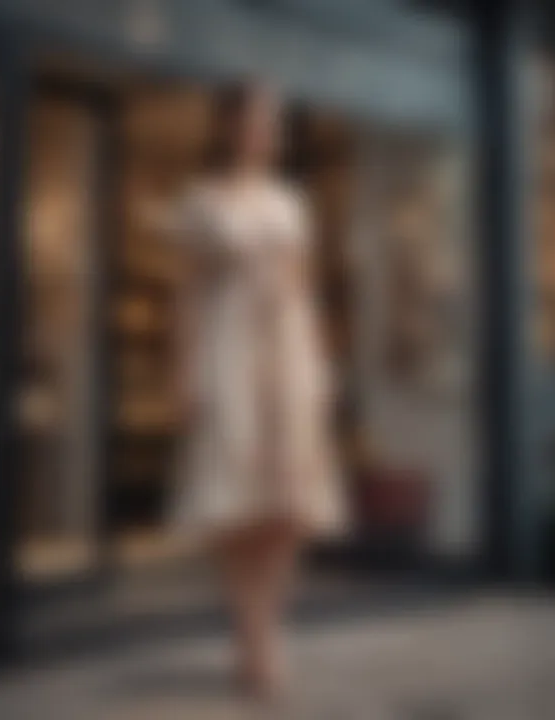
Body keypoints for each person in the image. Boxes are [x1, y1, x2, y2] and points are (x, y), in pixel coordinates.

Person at [169, 80, 346, 701]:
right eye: (257, 119)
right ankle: (254, 640)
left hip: (287, 353)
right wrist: (185, 373)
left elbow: (304, 288)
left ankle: (266, 629)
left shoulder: (292, 202)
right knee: (236, 503)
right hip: (228, 353)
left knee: (290, 507)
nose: (268, 132)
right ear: (229, 124)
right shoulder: (201, 200)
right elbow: (187, 294)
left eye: (275, 122)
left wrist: (320, 369)